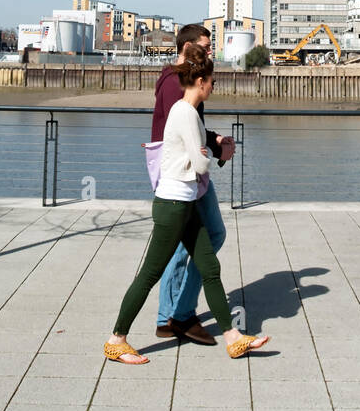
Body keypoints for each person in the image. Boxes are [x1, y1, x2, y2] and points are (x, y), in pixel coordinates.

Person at [105, 54, 270, 364]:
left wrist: (207, 155)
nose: (214, 87)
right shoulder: (186, 114)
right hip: (172, 205)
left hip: (186, 201)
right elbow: (200, 162)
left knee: (209, 267)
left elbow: (198, 157)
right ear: (200, 82)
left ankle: (233, 338)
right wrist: (216, 157)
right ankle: (117, 339)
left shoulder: (188, 112)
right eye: (212, 82)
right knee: (150, 274)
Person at [152, 23, 234, 345]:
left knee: (187, 241)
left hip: (185, 171)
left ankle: (168, 316)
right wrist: (215, 147)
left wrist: (215, 141)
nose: (211, 51)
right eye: (205, 46)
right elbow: (187, 130)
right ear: (188, 49)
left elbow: (194, 126)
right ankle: (179, 314)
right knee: (208, 236)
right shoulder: (176, 82)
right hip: (182, 173)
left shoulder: (177, 78)